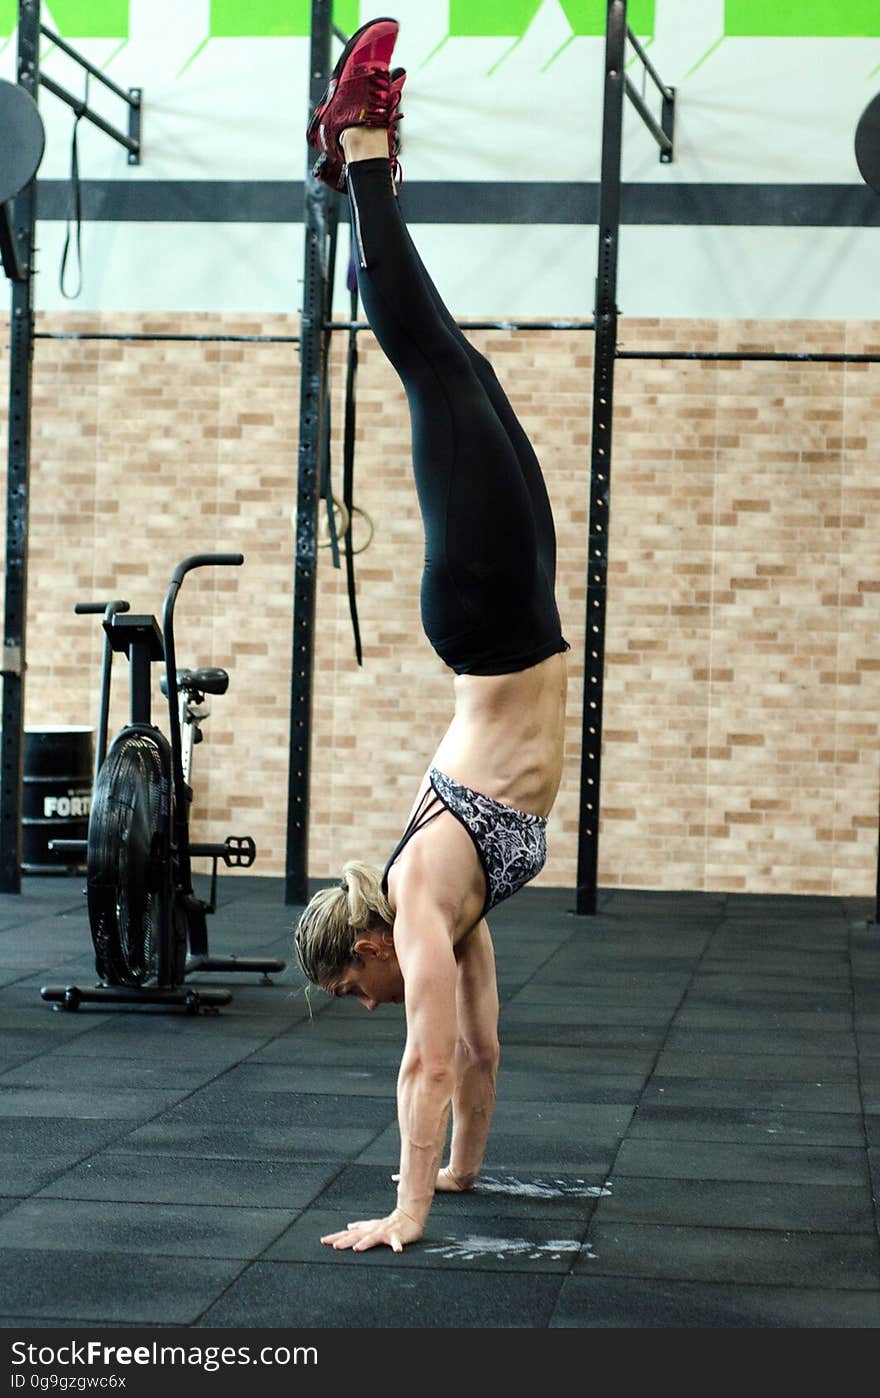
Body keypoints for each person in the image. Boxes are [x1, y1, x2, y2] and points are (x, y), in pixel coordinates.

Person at [295, 17, 570, 1254]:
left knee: (432, 371)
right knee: (452, 366)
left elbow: (422, 1062)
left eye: (355, 988)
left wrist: (399, 1213)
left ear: (361, 946)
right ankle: (366, 173)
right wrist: (456, 1179)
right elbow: (478, 1049)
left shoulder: (416, 897)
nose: (373, 1000)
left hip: (488, 619)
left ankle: (357, 147)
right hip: (521, 619)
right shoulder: (451, 909)